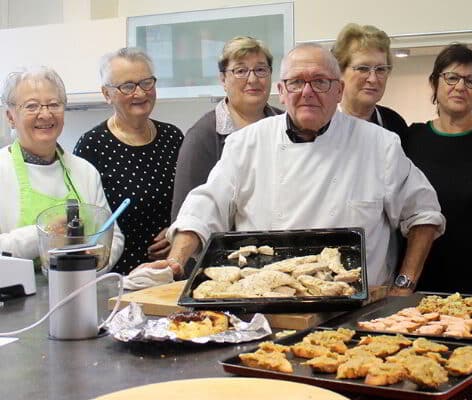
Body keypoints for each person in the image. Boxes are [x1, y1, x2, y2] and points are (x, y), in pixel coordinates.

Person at [138, 43, 444, 293]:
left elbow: (424, 214)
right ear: (282, 91)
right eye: (297, 82)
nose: (307, 92)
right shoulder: (246, 143)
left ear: (338, 90)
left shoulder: (380, 144)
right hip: (266, 306)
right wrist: (176, 259)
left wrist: (404, 284)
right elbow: (204, 207)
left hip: (357, 310)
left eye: (320, 81)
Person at [402, 44, 472, 295]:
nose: (460, 87)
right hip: (421, 276)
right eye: (451, 77)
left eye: (471, 80)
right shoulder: (412, 138)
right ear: (434, 83)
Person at [0, 66, 124, 270]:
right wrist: (46, 234)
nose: (45, 114)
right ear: (11, 117)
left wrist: (95, 258)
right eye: (32, 106)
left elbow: (113, 236)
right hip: (14, 297)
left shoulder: (85, 171)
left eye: (54, 105)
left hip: (81, 287)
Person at [73, 48, 183, 275]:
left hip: (170, 270)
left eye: (146, 83)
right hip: (118, 277)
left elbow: (191, 198)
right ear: (106, 94)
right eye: (128, 86)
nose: (140, 93)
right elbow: (86, 223)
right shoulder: (92, 146)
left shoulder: (173, 137)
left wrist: (177, 234)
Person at [171, 36, 282, 220]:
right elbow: (185, 217)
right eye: (240, 71)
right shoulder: (202, 137)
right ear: (223, 79)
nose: (253, 79)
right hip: (225, 246)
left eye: (261, 70)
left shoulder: (284, 124)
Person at [331, 23, 406, 135]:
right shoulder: (324, 123)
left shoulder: (394, 124)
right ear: (340, 71)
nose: (373, 79)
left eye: (380, 69)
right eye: (363, 68)